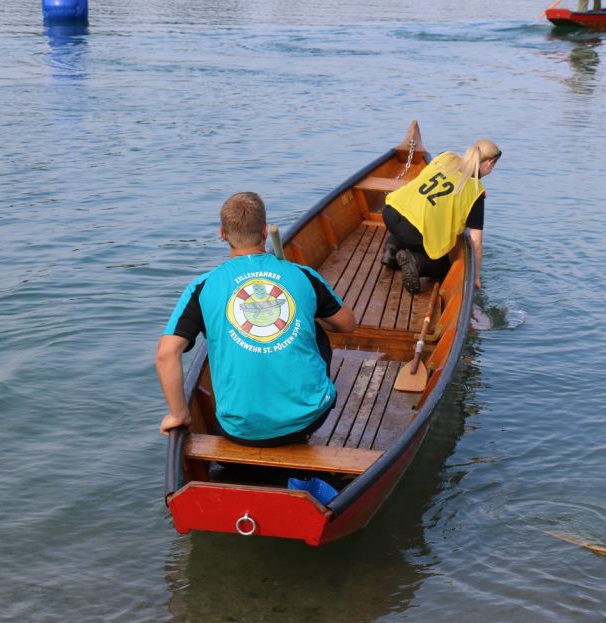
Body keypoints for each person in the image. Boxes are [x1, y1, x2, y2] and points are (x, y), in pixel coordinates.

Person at [156, 192, 356, 447]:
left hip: (239, 429)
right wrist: (308, 308)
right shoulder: (303, 275)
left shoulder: (202, 286)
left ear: (223, 234)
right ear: (264, 232)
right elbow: (347, 324)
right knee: (314, 329)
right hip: (310, 418)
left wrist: (179, 415)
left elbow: (166, 354)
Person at [379, 140, 501, 294]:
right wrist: (476, 277)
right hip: (413, 232)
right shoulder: (475, 192)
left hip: (390, 212)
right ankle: (416, 262)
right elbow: (476, 240)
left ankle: (391, 249)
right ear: (489, 163)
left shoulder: (446, 156)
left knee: (410, 218)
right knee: (444, 264)